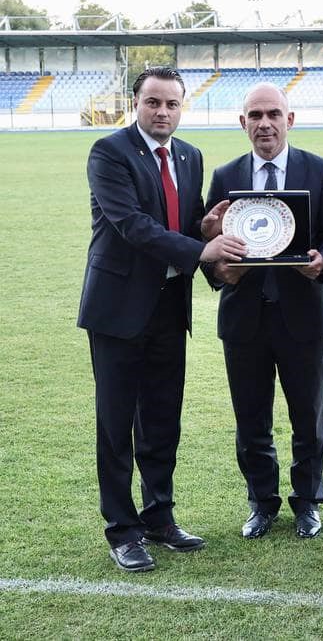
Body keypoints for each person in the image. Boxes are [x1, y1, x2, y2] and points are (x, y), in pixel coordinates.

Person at [79, 67, 246, 572]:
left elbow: (184, 221)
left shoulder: (190, 156)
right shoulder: (109, 153)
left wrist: (208, 226)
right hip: (118, 310)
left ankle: (159, 517)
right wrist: (203, 246)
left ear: (182, 107)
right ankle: (122, 530)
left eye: (172, 104)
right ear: (136, 102)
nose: (163, 112)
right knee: (115, 424)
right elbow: (134, 226)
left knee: (161, 419)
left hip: (170, 308)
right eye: (153, 102)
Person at [203, 83, 323, 541]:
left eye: (273, 114)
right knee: (251, 420)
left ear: (290, 119)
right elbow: (209, 242)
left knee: (309, 418)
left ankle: (307, 502)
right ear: (242, 122)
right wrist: (217, 270)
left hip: (301, 315)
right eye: (255, 115)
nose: (264, 123)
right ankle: (261, 503)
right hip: (243, 317)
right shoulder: (225, 175)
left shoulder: (318, 169)